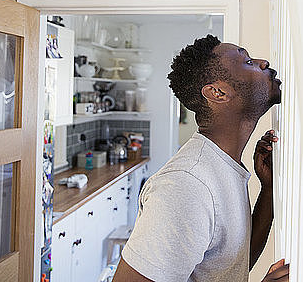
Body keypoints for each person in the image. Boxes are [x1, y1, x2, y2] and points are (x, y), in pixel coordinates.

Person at [113, 35, 289, 282]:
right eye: (248, 61)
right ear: (217, 92)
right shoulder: (185, 186)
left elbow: (228, 267)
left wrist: (269, 190)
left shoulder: (222, 167)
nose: (262, 62)